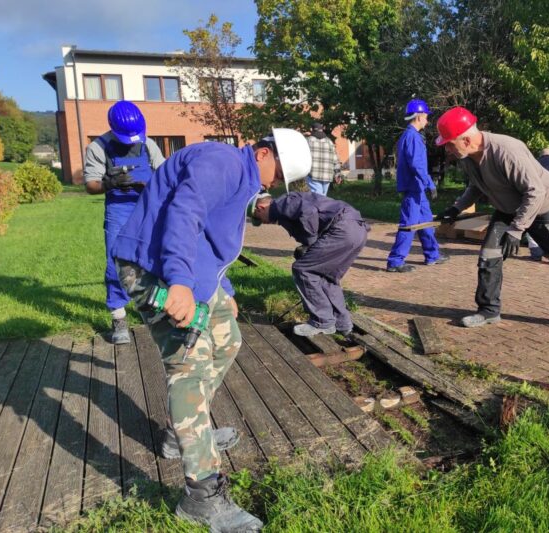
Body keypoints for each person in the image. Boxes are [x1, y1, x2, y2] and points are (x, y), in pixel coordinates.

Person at [112, 128, 311, 532]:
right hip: (154, 271)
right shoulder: (221, 162)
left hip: (184, 272)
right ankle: (201, 495)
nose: (274, 184)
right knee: (188, 365)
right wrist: (181, 283)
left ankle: (183, 430)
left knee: (228, 339)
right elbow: (185, 213)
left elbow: (208, 238)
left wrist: (224, 288)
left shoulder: (238, 176)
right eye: (277, 173)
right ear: (262, 153)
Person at [434, 107, 549, 338]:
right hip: (508, 209)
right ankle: (488, 310)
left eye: (449, 143)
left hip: (545, 208)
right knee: (489, 257)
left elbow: (535, 192)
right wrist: (456, 208)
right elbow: (476, 186)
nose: (447, 148)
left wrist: (517, 230)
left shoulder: (506, 151)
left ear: (466, 140)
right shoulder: (467, 157)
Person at [83, 100, 165, 344]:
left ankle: (153, 308)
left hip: (147, 207)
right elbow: (90, 185)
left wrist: (148, 186)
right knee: (114, 262)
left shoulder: (148, 145)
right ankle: (118, 317)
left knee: (152, 258)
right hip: (118, 209)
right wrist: (110, 183)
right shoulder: (98, 147)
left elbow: (163, 175)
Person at [251, 192, 369, 337]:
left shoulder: (281, 204)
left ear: (260, 207)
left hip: (341, 229)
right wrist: (308, 245)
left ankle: (323, 321)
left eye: (259, 219)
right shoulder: (285, 208)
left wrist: (311, 244)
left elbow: (308, 211)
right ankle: (342, 324)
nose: (263, 222)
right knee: (327, 277)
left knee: (303, 270)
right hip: (357, 230)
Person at [386, 98, 449, 273]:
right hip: (414, 188)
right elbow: (416, 164)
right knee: (409, 225)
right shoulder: (412, 137)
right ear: (419, 116)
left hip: (417, 188)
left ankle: (432, 255)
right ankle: (395, 261)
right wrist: (430, 183)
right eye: (426, 116)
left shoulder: (411, 136)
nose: (427, 120)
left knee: (426, 222)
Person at [305, 122, 341, 196]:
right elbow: (335, 159)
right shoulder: (329, 142)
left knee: (318, 199)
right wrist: (337, 174)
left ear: (312, 129)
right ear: (322, 130)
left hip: (313, 174)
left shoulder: (308, 141)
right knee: (323, 197)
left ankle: (320, 207)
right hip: (327, 175)